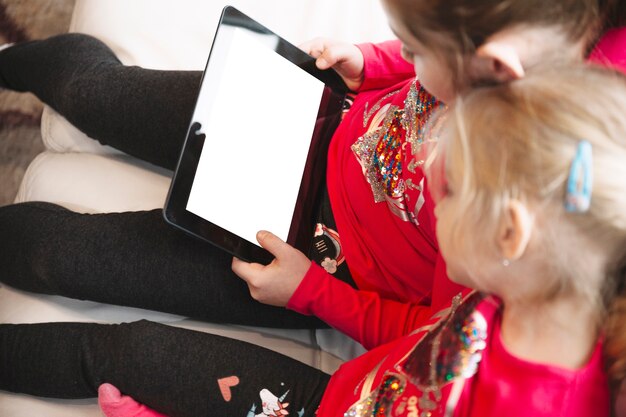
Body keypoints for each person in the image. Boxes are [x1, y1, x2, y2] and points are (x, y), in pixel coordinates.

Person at [2, 63, 624, 416]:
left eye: (447, 193)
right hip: (347, 344)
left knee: (124, 349)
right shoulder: (525, 277)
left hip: (317, 405)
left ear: (509, 234)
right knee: (92, 110)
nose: (428, 185)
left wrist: (317, 292)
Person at [0, 0, 622, 342]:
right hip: (319, 118)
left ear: (494, 69)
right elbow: (424, 68)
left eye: (413, 47)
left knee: (63, 255)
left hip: (310, 263)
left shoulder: (515, 227)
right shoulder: (529, 40)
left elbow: (427, 335)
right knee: (96, 93)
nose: (404, 52)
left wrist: (308, 293)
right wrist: (373, 62)